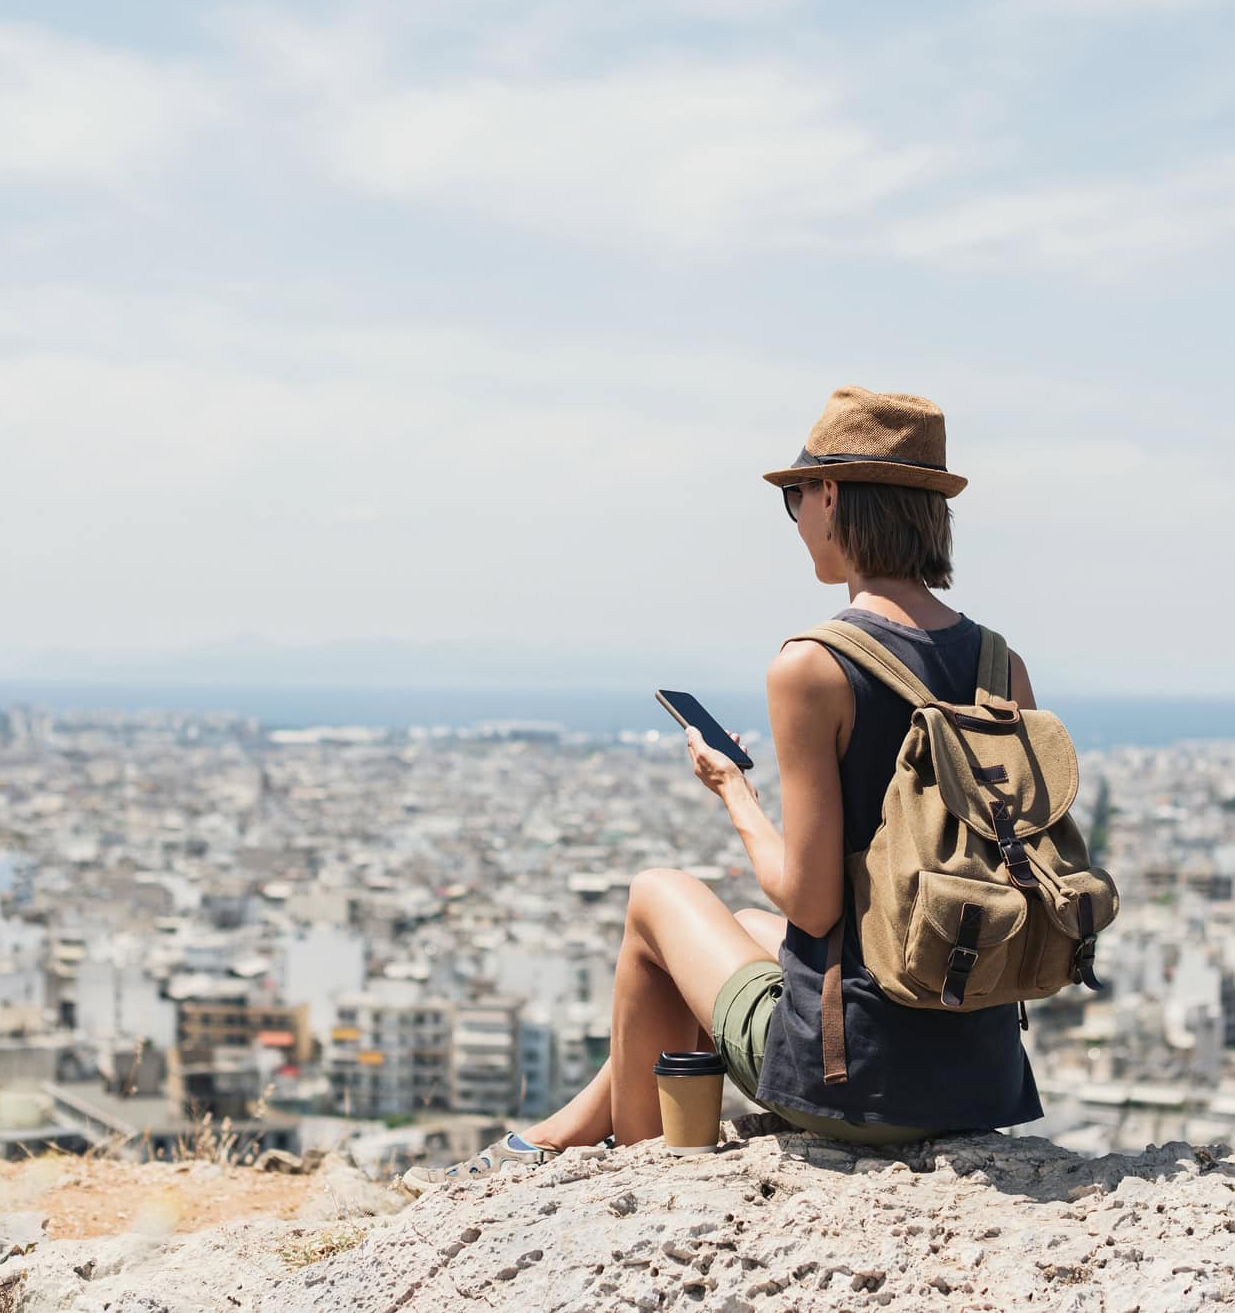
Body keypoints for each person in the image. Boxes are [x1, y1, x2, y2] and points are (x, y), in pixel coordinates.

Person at [405, 387, 1042, 1186]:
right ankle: (572, 1125)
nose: (797, 517)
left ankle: (637, 1165)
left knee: (655, 896)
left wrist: (732, 792)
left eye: (794, 496)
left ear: (832, 495)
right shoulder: (999, 665)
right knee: (738, 923)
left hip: (859, 1084)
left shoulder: (813, 664)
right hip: (980, 1077)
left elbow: (810, 906)